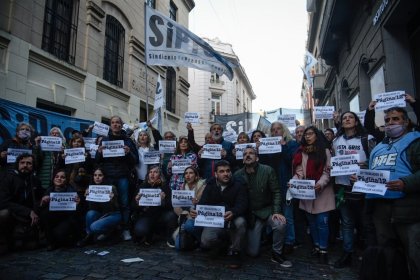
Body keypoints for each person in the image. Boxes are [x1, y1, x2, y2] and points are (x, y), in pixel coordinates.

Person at [365, 107, 420, 279]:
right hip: (381, 209)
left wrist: (405, 183)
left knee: (414, 253)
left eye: (395, 119)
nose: (390, 123)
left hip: (408, 209)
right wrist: (360, 178)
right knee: (388, 253)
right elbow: (371, 168)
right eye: (387, 120)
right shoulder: (379, 146)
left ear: (405, 122)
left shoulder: (415, 143)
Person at [234, 146, 292, 268]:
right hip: (251, 215)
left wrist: (277, 211)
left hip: (266, 210)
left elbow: (276, 191)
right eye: (245, 154)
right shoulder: (237, 175)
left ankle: (277, 253)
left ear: (257, 157)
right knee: (253, 253)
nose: (248, 155)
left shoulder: (267, 170)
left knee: (280, 223)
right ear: (243, 159)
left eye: (251, 153)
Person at [332, 111, 376, 268]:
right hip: (343, 187)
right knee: (346, 222)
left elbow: (376, 162)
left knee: (366, 223)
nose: (347, 119)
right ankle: (347, 252)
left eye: (351, 117)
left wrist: (365, 166)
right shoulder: (336, 140)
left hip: (362, 187)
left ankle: (369, 256)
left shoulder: (367, 139)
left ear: (356, 121)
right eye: (344, 118)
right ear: (341, 123)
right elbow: (333, 160)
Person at [191, 160, 247, 268]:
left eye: (228, 171)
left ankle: (235, 252)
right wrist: (196, 211)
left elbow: (243, 204)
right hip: (216, 220)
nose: (226, 173)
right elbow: (203, 203)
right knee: (206, 241)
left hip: (233, 218)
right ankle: (222, 244)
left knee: (241, 222)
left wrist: (234, 212)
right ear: (216, 174)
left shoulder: (239, 184)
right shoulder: (210, 184)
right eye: (222, 171)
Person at [292, 126, 335, 264]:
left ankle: (323, 250)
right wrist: (294, 182)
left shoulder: (325, 151)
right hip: (307, 193)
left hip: (322, 193)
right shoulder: (301, 152)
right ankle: (316, 246)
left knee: (322, 223)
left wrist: (321, 184)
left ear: (317, 135)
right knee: (311, 223)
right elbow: (299, 172)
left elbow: (327, 172)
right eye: (306, 135)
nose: (307, 136)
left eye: (310, 134)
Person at [96, 116, 139, 241]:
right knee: (108, 204)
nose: (115, 125)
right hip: (108, 177)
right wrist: (99, 152)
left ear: (121, 125)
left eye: (118, 123)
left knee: (124, 204)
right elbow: (97, 161)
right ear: (110, 125)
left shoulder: (128, 141)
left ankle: (125, 229)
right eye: (113, 122)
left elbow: (135, 160)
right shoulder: (104, 140)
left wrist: (128, 153)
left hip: (122, 177)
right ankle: (109, 229)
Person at [265, 121, 300, 253]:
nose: (275, 132)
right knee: (274, 213)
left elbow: (292, 161)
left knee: (288, 215)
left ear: (284, 130)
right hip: (272, 185)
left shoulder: (291, 144)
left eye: (278, 129)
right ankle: (273, 239)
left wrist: (284, 147)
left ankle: (290, 241)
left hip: (286, 184)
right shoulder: (268, 144)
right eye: (273, 130)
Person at [0, 153, 44, 251]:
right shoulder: (8, 178)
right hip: (13, 214)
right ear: (18, 164)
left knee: (31, 246)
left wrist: (46, 196)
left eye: (29, 163)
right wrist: (28, 212)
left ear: (33, 166)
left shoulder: (35, 180)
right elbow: (4, 202)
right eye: (22, 163)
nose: (25, 165)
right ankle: (5, 239)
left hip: (27, 219)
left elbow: (41, 195)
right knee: (3, 214)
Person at [133, 165, 178, 247]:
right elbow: (134, 207)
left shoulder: (165, 186)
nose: (152, 174)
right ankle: (150, 232)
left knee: (171, 215)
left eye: (155, 172)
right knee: (140, 230)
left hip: (161, 215)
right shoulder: (142, 186)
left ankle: (169, 236)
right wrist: (137, 202)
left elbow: (170, 206)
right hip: (147, 216)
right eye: (150, 172)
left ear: (160, 175)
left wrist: (163, 200)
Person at [77, 167, 121, 247]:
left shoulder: (111, 188)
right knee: (90, 214)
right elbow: (91, 208)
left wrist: (111, 199)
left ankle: (113, 233)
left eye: (100, 175)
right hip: (100, 214)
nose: (97, 177)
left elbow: (115, 207)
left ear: (104, 176)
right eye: (95, 175)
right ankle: (90, 236)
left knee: (94, 226)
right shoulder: (90, 188)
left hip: (112, 214)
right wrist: (86, 198)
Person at [39, 169, 81, 250]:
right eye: (57, 176)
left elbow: (77, 213)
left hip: (67, 218)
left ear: (66, 180)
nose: (59, 178)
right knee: (44, 214)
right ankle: (50, 243)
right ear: (53, 178)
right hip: (53, 219)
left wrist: (78, 204)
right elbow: (41, 208)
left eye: (62, 177)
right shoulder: (49, 190)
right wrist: (43, 201)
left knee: (59, 235)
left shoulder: (72, 191)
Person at [175, 166, 206, 249]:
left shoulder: (203, 187)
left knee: (189, 225)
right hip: (185, 217)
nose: (188, 175)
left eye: (191, 173)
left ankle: (202, 241)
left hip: (198, 218)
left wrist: (197, 203)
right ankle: (192, 241)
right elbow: (176, 205)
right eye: (186, 173)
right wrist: (182, 214)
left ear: (196, 176)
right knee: (179, 247)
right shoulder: (181, 188)